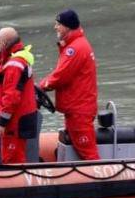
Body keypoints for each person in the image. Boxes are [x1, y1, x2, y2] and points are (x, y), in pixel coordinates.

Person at [39, 9, 100, 160]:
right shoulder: (75, 45)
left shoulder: (75, 49)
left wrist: (41, 86)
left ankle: (104, 181)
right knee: (81, 150)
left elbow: (60, 77)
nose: (55, 27)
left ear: (67, 26)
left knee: (89, 154)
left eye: (58, 24)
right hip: (77, 108)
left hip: (79, 110)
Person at [0, 27, 38, 164]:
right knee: (14, 155)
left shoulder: (14, 64)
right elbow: (11, 87)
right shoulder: (19, 59)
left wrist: (2, 123)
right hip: (20, 117)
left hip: (14, 122)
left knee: (13, 159)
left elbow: (12, 98)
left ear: (4, 43)